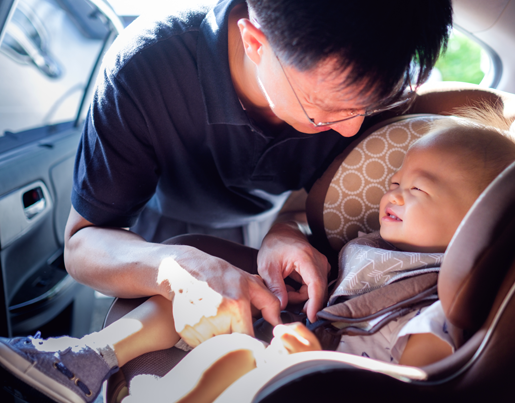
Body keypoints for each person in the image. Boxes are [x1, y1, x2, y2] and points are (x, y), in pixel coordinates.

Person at [2, 106, 514, 403]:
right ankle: (90, 357)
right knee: (194, 292)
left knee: (240, 354)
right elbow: (338, 293)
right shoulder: (369, 247)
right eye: (395, 181)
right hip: (299, 338)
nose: (393, 194)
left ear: (476, 226)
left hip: (324, 378)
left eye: (417, 191)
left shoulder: (440, 299)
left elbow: (412, 382)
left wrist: (313, 360)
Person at [63, 0, 453, 348]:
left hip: (268, 216)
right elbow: (82, 245)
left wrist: (285, 230)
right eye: (323, 108)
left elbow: (324, 195)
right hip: (156, 218)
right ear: (254, 42)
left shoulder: (377, 88)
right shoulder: (146, 67)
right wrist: (182, 267)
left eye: (366, 107)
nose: (351, 130)